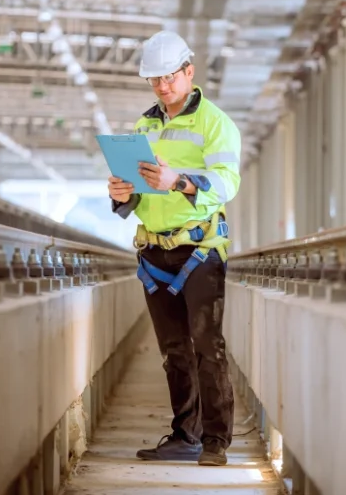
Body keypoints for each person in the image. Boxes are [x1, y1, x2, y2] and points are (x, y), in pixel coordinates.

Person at [108, 30, 242, 468]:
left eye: (169, 77)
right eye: (154, 80)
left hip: (199, 251)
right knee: (174, 351)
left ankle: (216, 441)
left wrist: (179, 181)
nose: (162, 87)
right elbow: (139, 195)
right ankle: (186, 433)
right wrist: (123, 193)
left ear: (189, 72)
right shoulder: (145, 125)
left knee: (208, 346)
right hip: (155, 253)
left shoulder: (215, 123)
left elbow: (227, 182)